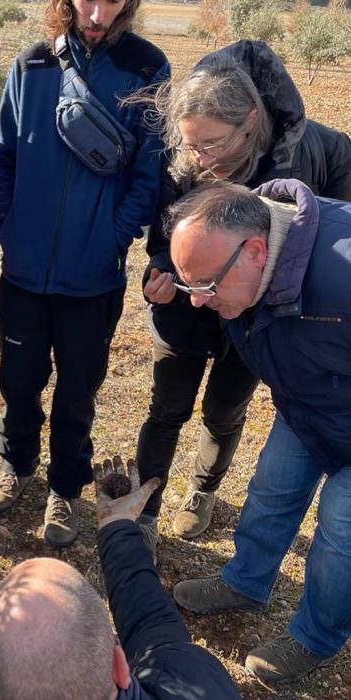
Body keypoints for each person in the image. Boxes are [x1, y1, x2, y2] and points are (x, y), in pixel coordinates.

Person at [135, 40, 351, 550]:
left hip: (261, 329)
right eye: (190, 145)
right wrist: (161, 275)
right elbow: (164, 242)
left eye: (211, 144)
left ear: (250, 121)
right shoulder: (183, 163)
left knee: (224, 412)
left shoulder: (308, 151)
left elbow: (334, 224)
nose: (199, 158)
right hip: (185, 311)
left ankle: (201, 492)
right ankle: (143, 509)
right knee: (167, 409)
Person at [0, 0, 170, 548]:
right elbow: (4, 155)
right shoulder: (32, 64)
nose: (96, 11)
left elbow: (149, 169)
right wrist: (11, 227)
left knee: (77, 392)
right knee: (18, 380)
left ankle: (64, 489)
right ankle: (15, 465)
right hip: (23, 272)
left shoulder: (147, 67)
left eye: (112, 0)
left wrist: (115, 235)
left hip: (94, 279)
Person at [167, 179, 351, 683]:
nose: (198, 301)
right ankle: (246, 583)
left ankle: (315, 637)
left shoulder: (343, 267)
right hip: (309, 405)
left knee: (341, 526)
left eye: (205, 286)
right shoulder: (240, 256)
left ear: (254, 251)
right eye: (191, 287)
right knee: (271, 487)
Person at [0, 456, 241, 699]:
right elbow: (154, 629)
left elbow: (153, 629)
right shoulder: (197, 679)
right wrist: (117, 524)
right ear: (119, 666)